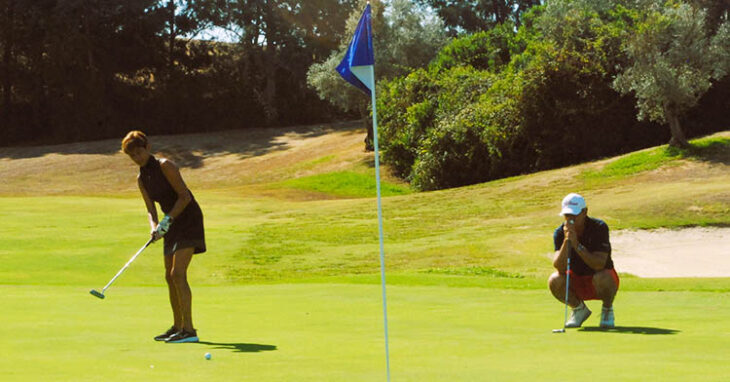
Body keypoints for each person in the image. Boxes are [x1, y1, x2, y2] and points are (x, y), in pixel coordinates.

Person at [122, 131, 206, 343]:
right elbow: (150, 209)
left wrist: (166, 220)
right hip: (171, 224)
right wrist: (154, 227)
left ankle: (189, 331)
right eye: (133, 156)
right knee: (169, 276)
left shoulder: (165, 165)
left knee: (178, 273)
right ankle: (177, 326)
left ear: (148, 147)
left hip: (188, 219)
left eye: (139, 152)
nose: (138, 158)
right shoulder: (142, 179)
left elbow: (184, 196)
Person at [548, 193, 618, 328]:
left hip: (601, 280)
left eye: (574, 215)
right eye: (567, 215)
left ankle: (607, 310)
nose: (570, 219)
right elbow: (559, 267)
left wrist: (577, 246)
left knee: (602, 276)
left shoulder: (599, 227)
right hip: (576, 280)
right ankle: (579, 310)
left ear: (585, 212)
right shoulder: (560, 232)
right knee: (554, 280)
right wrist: (567, 242)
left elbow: (599, 264)